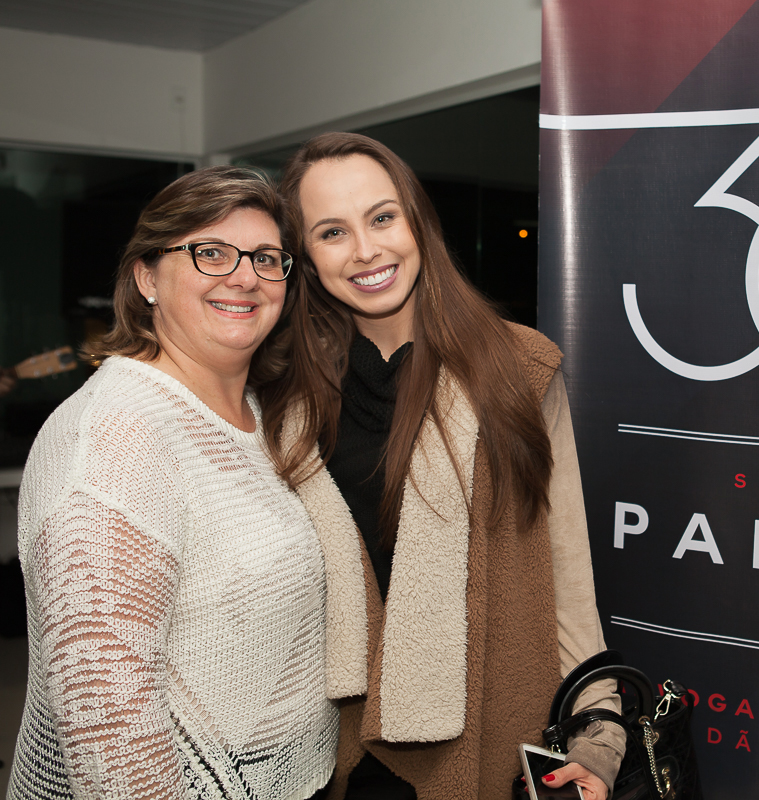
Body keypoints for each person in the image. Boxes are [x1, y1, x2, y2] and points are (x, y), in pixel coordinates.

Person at [259, 132, 624, 800]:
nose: (367, 250)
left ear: (417, 222)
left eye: (382, 217)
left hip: (485, 733)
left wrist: (600, 738)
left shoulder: (518, 369)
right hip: (326, 744)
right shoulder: (283, 395)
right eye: (333, 231)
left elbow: (568, 578)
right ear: (306, 257)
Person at [9, 167, 338, 800]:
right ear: (146, 277)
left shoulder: (262, 416)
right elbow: (110, 733)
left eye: (267, 259)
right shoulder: (116, 436)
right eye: (209, 252)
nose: (243, 276)